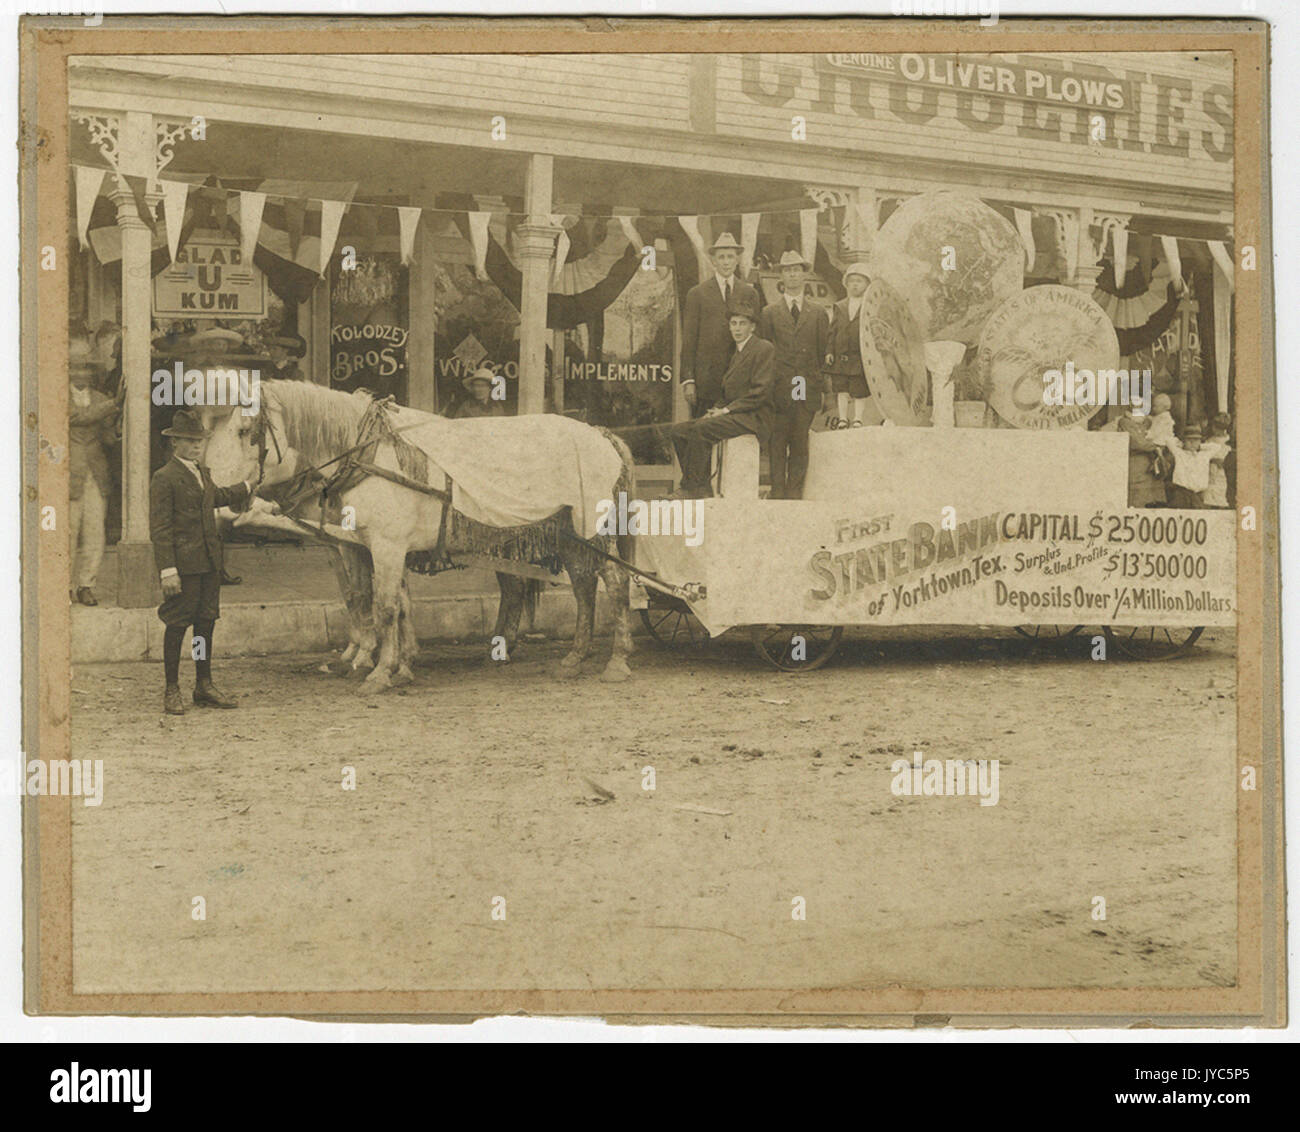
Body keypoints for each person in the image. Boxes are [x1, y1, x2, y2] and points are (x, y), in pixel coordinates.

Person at [149, 409, 256, 716]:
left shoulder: (202, 472)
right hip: (183, 567)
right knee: (177, 624)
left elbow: (216, 497)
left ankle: (203, 684)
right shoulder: (165, 477)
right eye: (189, 441)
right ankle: (172, 688)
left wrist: (246, 487)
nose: (196, 446)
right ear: (175, 444)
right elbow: (160, 528)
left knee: (204, 624)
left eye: (200, 441)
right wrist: (168, 570)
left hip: (209, 563)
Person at [674, 294, 775, 499]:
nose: (737, 329)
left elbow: (760, 392)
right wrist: (715, 410)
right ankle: (701, 486)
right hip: (735, 414)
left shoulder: (763, 348)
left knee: (702, 429)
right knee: (680, 431)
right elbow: (726, 392)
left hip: (754, 417)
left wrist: (726, 410)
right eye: (733, 323)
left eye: (742, 324)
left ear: (752, 327)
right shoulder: (734, 352)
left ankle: (689, 488)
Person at [758, 250, 830, 499]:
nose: (793, 275)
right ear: (782, 276)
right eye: (788, 270)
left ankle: (795, 495)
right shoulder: (769, 313)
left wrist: (820, 390)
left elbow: (822, 355)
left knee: (800, 444)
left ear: (804, 274)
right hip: (778, 392)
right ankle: (778, 495)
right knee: (777, 445)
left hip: (805, 390)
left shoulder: (818, 313)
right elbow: (765, 355)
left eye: (797, 270)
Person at [679, 232, 761, 419]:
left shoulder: (749, 293)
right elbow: (689, 339)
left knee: (735, 438)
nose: (726, 262)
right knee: (702, 434)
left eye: (730, 257)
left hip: (740, 382)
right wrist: (688, 380)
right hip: (705, 383)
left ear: (737, 260)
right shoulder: (697, 294)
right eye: (721, 257)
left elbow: (756, 339)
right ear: (713, 261)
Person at [69, 334, 121, 605]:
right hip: (68, 474)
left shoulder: (100, 397)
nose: (82, 373)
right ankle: (62, 586)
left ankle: (86, 585)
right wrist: (113, 405)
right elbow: (79, 417)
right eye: (76, 367)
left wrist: (120, 426)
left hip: (96, 474)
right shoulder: (58, 395)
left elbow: (108, 438)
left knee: (94, 532)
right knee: (67, 532)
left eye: (87, 368)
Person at [824, 262, 873, 428]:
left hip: (860, 356)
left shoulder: (870, 308)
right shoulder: (840, 306)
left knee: (858, 388)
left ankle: (858, 418)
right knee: (841, 388)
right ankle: (843, 418)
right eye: (851, 281)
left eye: (859, 281)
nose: (855, 285)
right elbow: (832, 331)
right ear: (846, 284)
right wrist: (829, 351)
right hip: (841, 355)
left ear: (867, 285)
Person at [1112, 403, 1167, 507]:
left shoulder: (1148, 422)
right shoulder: (1125, 422)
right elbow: (1137, 442)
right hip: (1136, 465)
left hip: (1150, 466)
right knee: (1137, 499)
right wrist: (1155, 445)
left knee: (1152, 501)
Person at [1168, 422, 1229, 509]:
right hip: (1182, 493)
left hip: (1199, 494)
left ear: (1200, 441)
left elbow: (1217, 447)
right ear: (1184, 441)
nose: (1192, 443)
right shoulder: (1179, 453)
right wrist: (1181, 445)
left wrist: (1200, 447)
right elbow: (1169, 441)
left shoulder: (1204, 455)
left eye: (1196, 440)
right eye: (1189, 440)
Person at [1201, 414, 1232, 508]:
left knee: (1219, 488)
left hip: (1221, 469)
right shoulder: (1210, 440)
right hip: (1210, 467)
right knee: (1209, 490)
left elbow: (1226, 456)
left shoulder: (1227, 441)